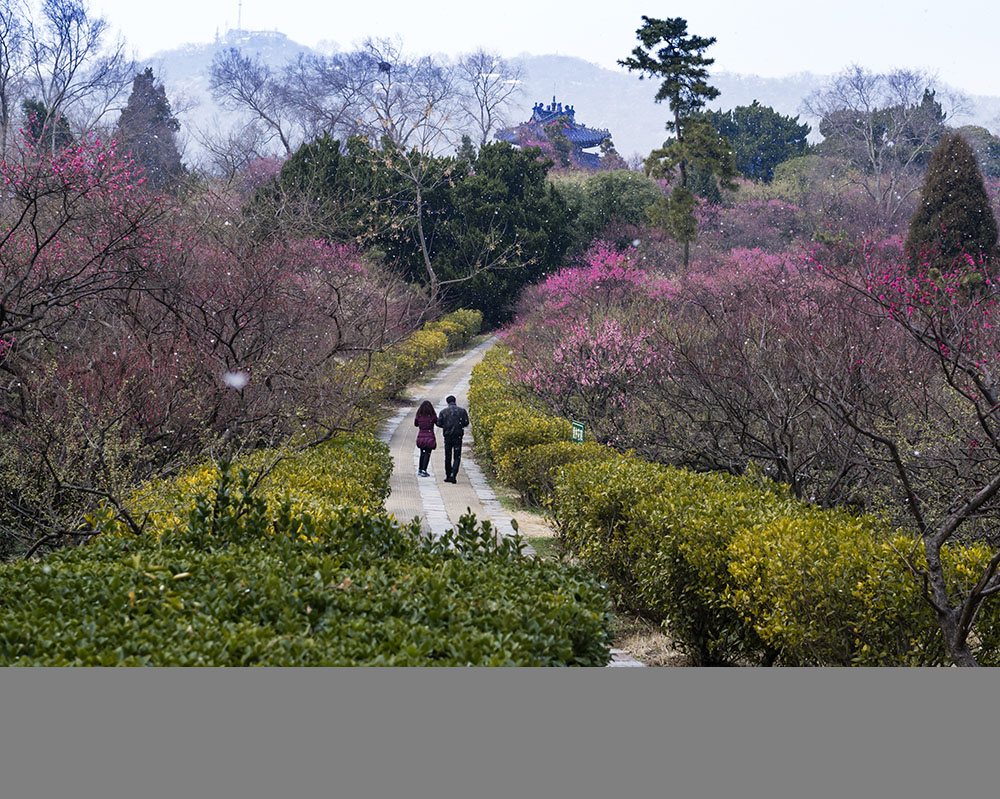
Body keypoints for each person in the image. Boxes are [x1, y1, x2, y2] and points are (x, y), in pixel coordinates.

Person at [435, 394, 469, 483]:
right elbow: (466, 422)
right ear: (455, 401)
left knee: (448, 456)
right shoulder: (462, 411)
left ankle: (448, 474)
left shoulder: (443, 412)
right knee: (457, 456)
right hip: (458, 436)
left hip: (448, 436)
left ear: (447, 403)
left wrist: (446, 426)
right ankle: (454, 474)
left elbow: (439, 423)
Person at [414, 400, 438, 477]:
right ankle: (424, 469)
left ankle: (420, 469)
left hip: (421, 436)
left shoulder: (419, 415)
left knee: (422, 453)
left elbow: (416, 424)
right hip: (430, 436)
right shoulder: (432, 415)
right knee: (427, 453)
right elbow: (438, 422)